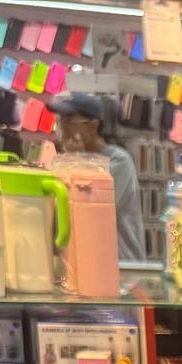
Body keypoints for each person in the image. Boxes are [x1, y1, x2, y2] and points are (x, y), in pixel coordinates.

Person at [47, 93, 145, 263]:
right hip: (86, 262)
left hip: (120, 266)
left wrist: (77, 160)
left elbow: (88, 209)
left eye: (69, 120)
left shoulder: (118, 162)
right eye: (60, 120)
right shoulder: (67, 162)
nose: (62, 127)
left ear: (93, 125)